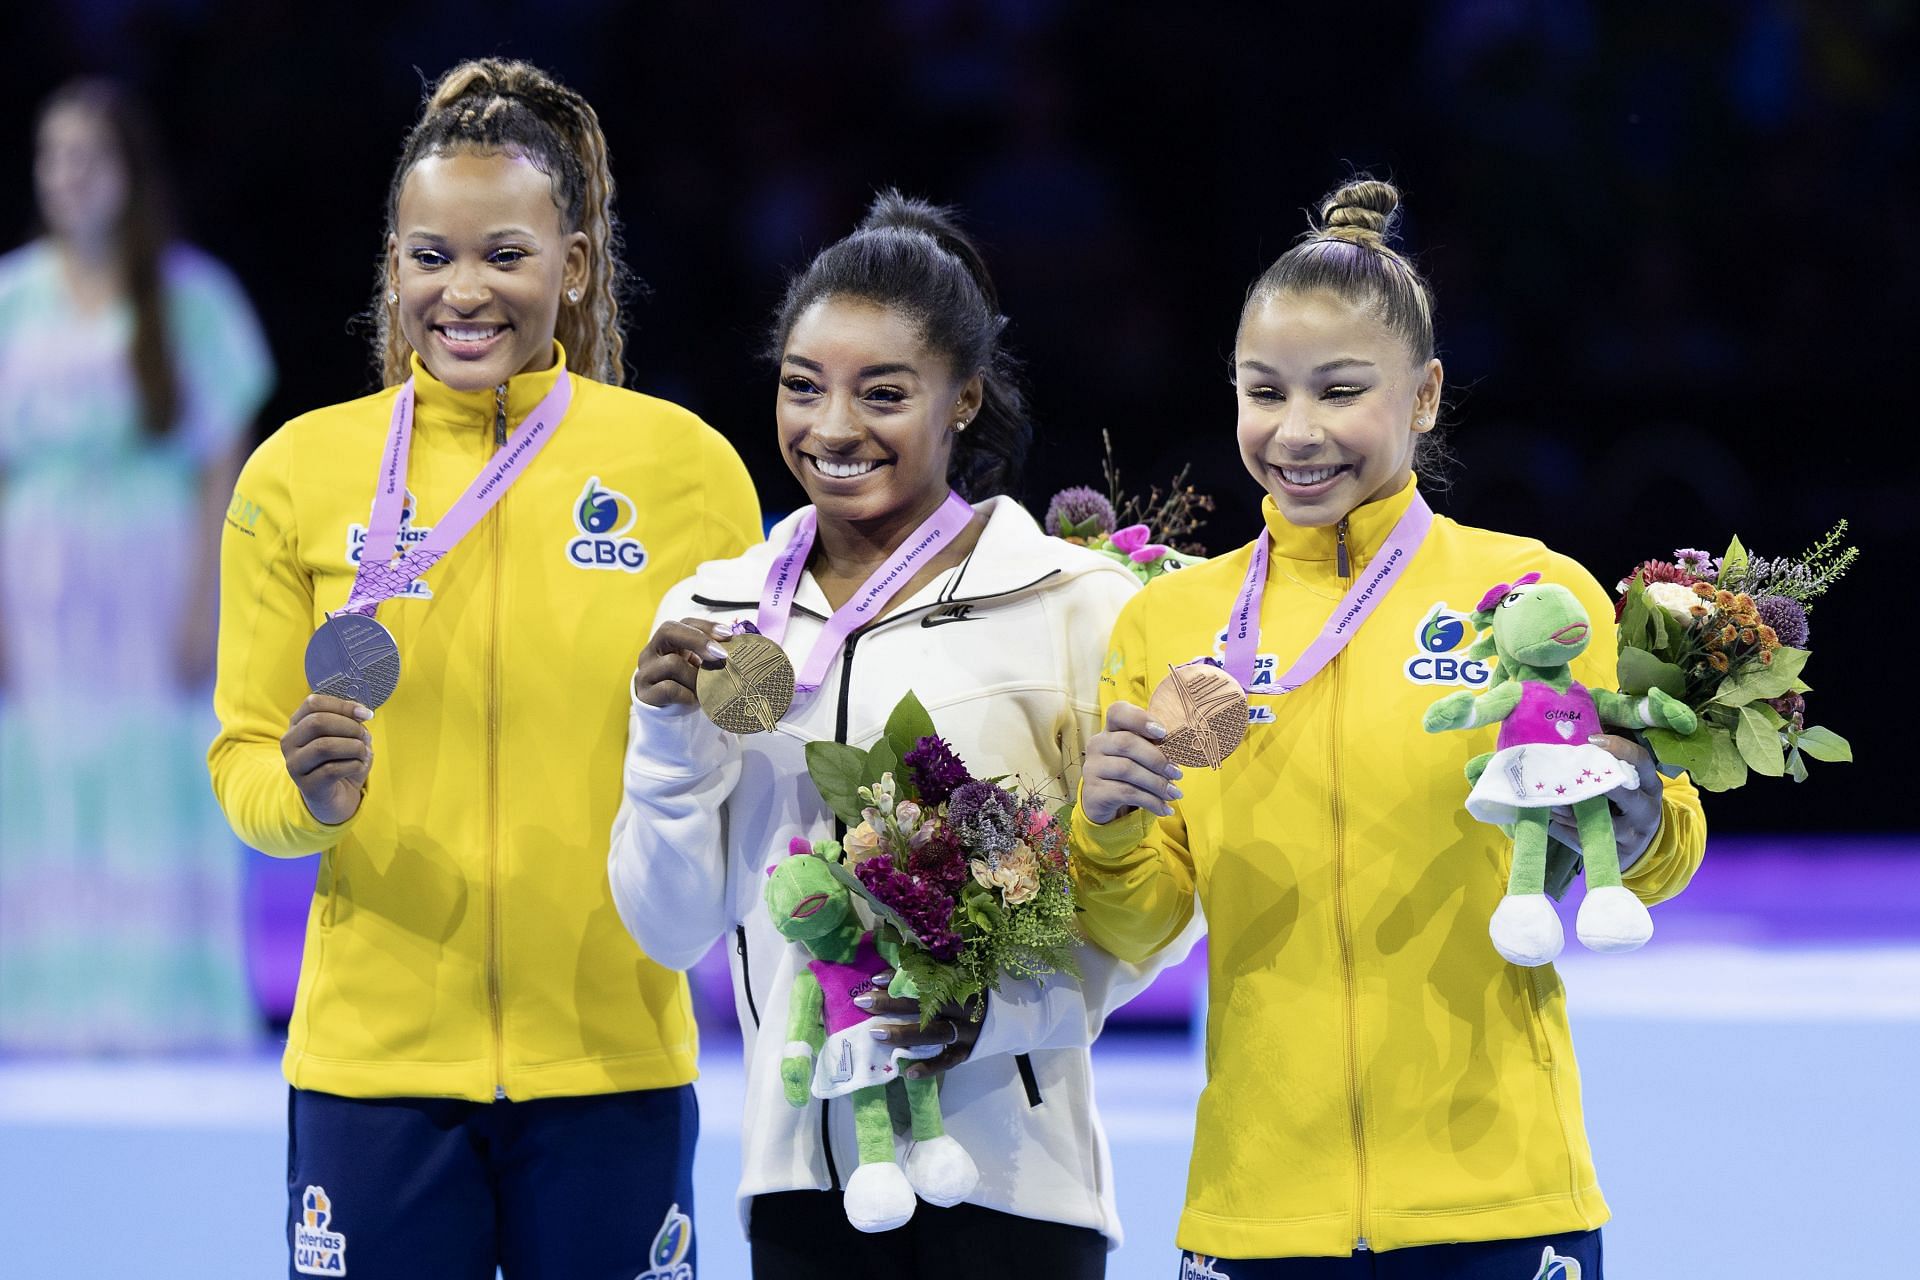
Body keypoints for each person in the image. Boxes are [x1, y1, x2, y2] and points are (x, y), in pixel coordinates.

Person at [1070, 178, 1707, 1279]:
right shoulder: (1178, 621)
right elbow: (1142, 927)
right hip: (1258, 1208)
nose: (1298, 431)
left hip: (1501, 1198)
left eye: (1342, 391)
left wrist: (1640, 802)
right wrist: (1110, 827)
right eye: (1264, 391)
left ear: (1423, 396)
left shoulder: (1528, 590)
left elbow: (1658, 861)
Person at [207, 58, 759, 1280]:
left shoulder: (685, 467)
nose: (464, 292)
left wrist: (728, 693)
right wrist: (308, 797)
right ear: (393, 266)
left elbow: (768, 721)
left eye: (504, 254)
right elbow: (242, 757)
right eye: (430, 256)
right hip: (373, 1068)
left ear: (570, 265)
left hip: (611, 1056)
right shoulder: (295, 475)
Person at [608, 191, 1196, 1279]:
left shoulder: (1075, 602)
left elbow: (1154, 908)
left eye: (883, 392)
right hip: (798, 1176)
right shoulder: (720, 611)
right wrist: (663, 741)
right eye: (801, 386)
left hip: (1016, 1175)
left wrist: (1003, 1014)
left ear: (963, 398)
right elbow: (670, 927)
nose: (832, 428)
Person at [0, 79, 272, 1052]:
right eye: (52, 158)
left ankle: (161, 1008)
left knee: (154, 767)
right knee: (50, 768)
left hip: (152, 569)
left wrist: (205, 597)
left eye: (88, 158)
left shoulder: (190, 295)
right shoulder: (12, 296)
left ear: (127, 172)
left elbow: (221, 463)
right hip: (38, 579)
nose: (67, 178)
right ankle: (49, 1009)